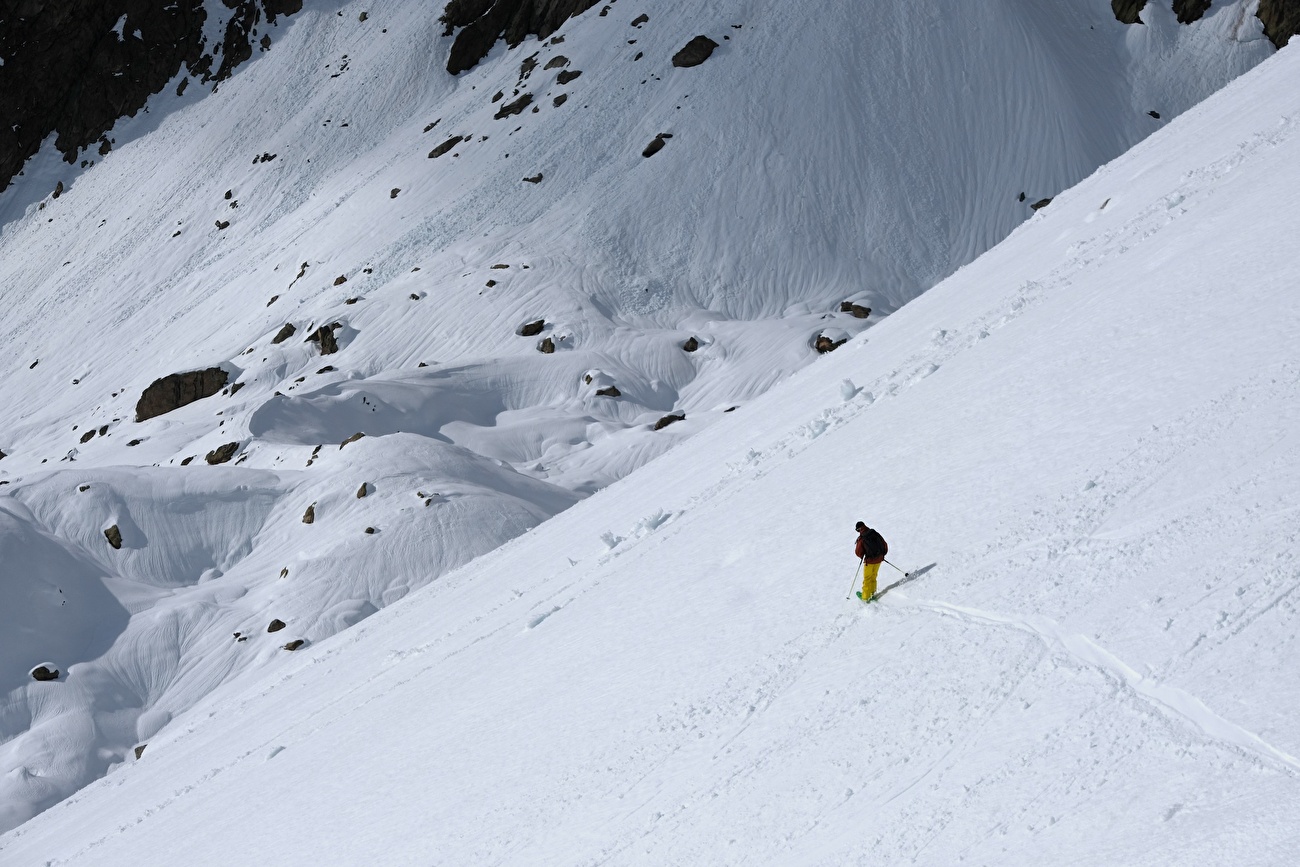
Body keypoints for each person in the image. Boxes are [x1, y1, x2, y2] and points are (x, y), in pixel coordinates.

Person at [854, 521, 888, 601]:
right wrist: (882, 555)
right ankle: (872, 594)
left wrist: (863, 555)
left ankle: (865, 597)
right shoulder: (874, 532)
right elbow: (884, 544)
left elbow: (858, 552)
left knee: (867, 579)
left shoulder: (862, 538)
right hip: (879, 559)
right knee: (874, 576)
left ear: (859, 529)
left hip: (869, 562)